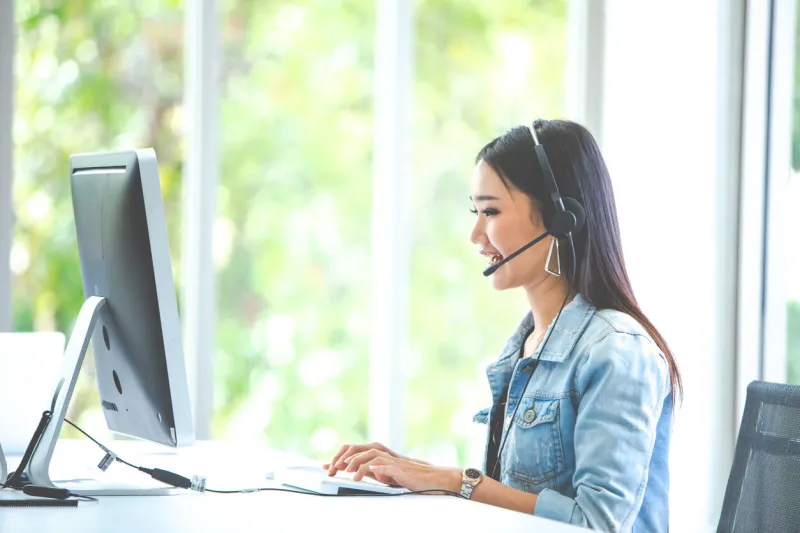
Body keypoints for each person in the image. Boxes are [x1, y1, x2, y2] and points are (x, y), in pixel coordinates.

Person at [324, 119, 681, 532]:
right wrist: (413, 474)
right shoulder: (526, 345)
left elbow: (596, 523)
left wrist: (457, 482)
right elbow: (514, 502)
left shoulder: (617, 350)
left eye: (490, 211)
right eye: (475, 212)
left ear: (558, 216)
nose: (476, 234)